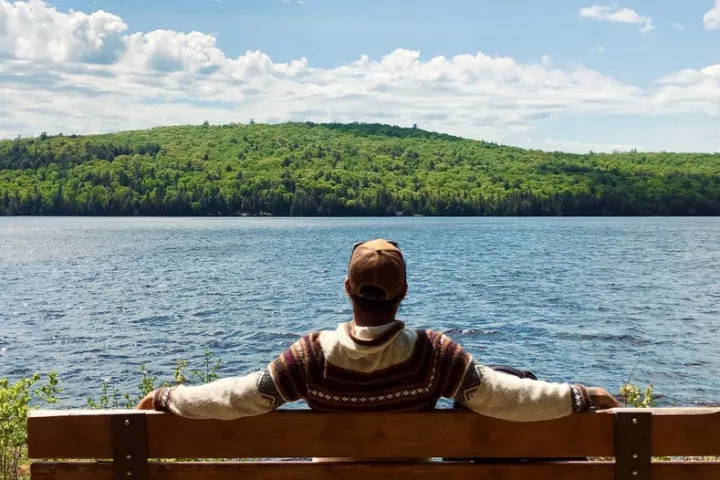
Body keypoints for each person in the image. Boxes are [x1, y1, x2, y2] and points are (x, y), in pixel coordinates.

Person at [137, 239, 620, 423]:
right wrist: (581, 395)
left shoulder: (310, 357)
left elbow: (238, 397)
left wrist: (168, 398)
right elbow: (505, 396)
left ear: (347, 288)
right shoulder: (434, 355)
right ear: (403, 292)